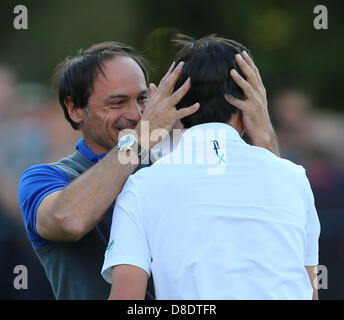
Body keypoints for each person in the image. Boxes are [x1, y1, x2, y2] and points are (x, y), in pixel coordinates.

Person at [18, 39, 278, 300]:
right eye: (117, 103)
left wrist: (264, 137)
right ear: (74, 109)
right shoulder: (45, 178)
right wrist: (140, 139)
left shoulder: (171, 169)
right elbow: (69, 220)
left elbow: (272, 215)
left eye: (143, 99)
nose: (136, 114)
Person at [101, 36, 320, 300]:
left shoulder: (142, 186)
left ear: (173, 107)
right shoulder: (295, 179)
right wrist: (265, 135)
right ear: (250, 104)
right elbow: (308, 291)